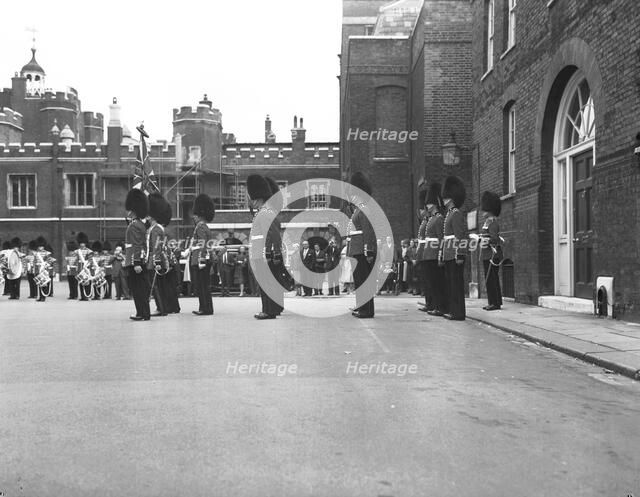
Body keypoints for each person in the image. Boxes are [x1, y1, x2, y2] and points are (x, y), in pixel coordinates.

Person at [247, 174, 284, 319]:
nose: (253, 202)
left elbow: (273, 235)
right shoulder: (263, 212)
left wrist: (270, 253)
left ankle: (268, 310)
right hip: (259, 252)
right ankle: (270, 309)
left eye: (254, 199)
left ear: (260, 197)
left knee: (266, 283)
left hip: (262, 253)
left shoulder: (266, 212)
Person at [348, 172, 376, 318]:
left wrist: (369, 250)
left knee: (364, 281)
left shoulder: (364, 208)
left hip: (361, 250)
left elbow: (368, 231)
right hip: (356, 249)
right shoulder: (358, 209)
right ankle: (362, 307)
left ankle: (367, 310)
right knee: (359, 281)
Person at [441, 176, 467, 321]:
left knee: (456, 285)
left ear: (451, 198)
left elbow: (460, 236)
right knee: (451, 284)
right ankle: (453, 310)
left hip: (455, 254)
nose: (443, 199)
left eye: (446, 196)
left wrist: (460, 254)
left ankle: (458, 312)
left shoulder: (456, 214)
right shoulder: (449, 214)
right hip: (449, 254)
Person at [125, 189, 151, 321]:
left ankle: (142, 313)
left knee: (138, 289)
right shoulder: (138, 224)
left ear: (133, 210)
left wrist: (136, 262)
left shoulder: (135, 225)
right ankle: (144, 312)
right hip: (138, 259)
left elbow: (136, 245)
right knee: (140, 288)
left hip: (135, 261)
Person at [189, 193, 215, 316]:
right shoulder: (204, 227)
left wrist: (201, 260)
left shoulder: (200, 227)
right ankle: (206, 307)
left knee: (202, 286)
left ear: (198, 215)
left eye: (195, 215)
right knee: (204, 285)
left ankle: (205, 308)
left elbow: (203, 244)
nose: (193, 217)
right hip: (202, 259)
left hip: (201, 261)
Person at [423, 182, 447, 316]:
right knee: (432, 282)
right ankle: (435, 305)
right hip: (428, 254)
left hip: (434, 254)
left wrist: (440, 255)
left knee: (438, 283)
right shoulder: (432, 219)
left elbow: (441, 239)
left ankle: (440, 306)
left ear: (435, 204)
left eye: (430, 203)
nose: (427, 205)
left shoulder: (439, 219)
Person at [480, 191, 504, 311]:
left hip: (492, 254)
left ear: (489, 210)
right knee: (490, 278)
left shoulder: (493, 223)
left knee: (492, 279)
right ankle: (494, 301)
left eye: (484, 210)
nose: (482, 212)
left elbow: (494, 239)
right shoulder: (487, 223)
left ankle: (495, 303)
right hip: (487, 254)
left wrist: (482, 239)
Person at [148, 193, 169, 316]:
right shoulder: (160, 228)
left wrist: (155, 261)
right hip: (160, 258)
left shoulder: (155, 229)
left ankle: (160, 308)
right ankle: (163, 307)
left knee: (155, 286)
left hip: (154, 259)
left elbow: (156, 246)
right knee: (160, 286)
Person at [415, 188, 429, 306]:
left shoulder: (428, 221)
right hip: (422, 254)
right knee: (424, 278)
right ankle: (428, 301)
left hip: (427, 253)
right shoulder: (424, 221)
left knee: (428, 280)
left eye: (421, 209)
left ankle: (430, 302)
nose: (420, 212)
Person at [34, 236, 54, 302]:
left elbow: (50, 261)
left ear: (44, 246)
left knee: (44, 284)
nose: (40, 248)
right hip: (38, 270)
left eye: (41, 246)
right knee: (39, 284)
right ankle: (40, 296)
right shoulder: (36, 253)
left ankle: (43, 297)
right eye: (39, 246)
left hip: (44, 270)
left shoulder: (47, 253)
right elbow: (35, 262)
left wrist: (46, 266)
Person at [74, 233, 94, 301]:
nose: (82, 244)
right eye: (81, 243)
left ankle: (87, 295)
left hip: (86, 268)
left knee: (87, 282)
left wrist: (86, 267)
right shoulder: (77, 251)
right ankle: (82, 296)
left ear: (85, 243)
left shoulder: (89, 251)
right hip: (80, 268)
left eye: (83, 243)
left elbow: (90, 260)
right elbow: (76, 260)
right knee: (81, 282)